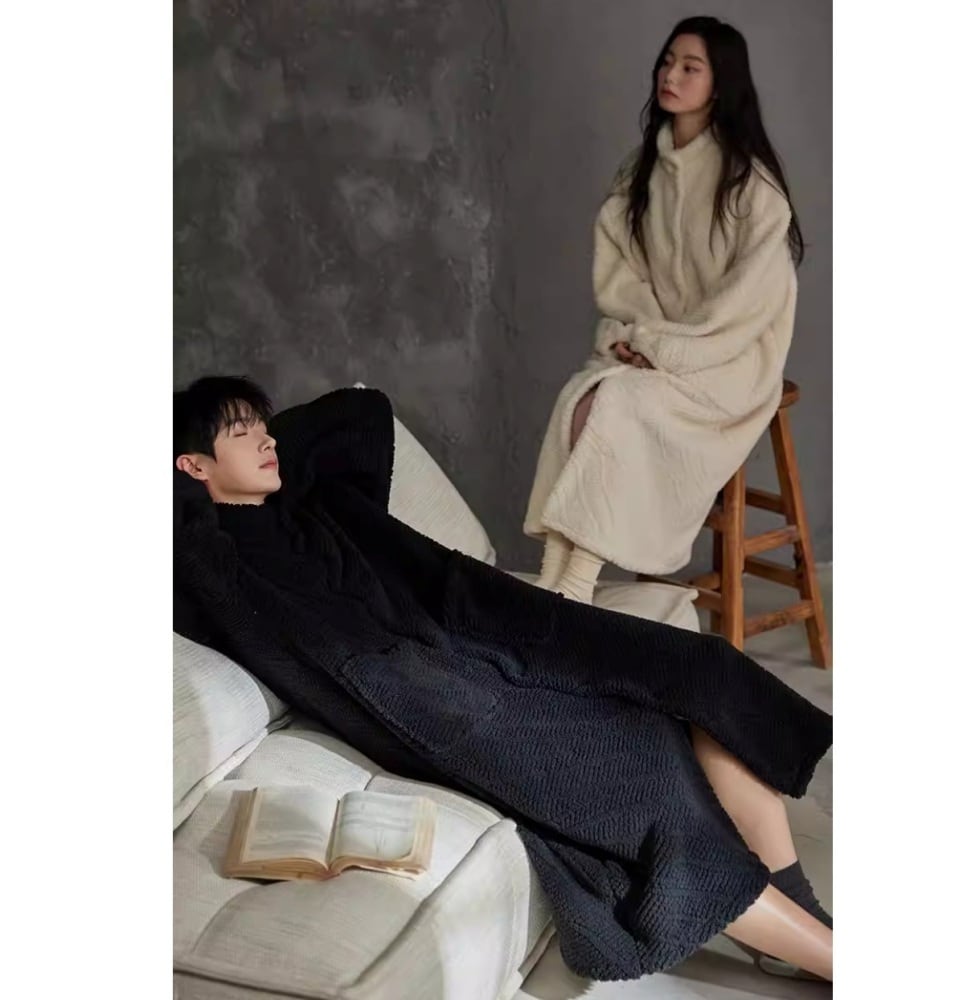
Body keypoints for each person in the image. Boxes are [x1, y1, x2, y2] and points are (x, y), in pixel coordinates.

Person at [173, 375, 833, 983]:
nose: (267, 441)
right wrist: (189, 482)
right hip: (426, 699)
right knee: (644, 780)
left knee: (703, 671)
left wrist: (251, 443)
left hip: (481, 632)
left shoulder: (315, 501)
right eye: (243, 433)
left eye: (265, 428)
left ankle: (796, 907)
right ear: (193, 466)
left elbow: (361, 410)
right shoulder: (214, 564)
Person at [524, 16, 806, 605]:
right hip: (659, 348)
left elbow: (748, 305)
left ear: (720, 85)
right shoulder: (641, 173)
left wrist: (668, 349)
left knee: (618, 403)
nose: (670, 75)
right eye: (667, 61)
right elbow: (621, 275)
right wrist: (636, 338)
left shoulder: (750, 185)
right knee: (581, 395)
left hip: (730, 359)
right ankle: (555, 570)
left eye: (690, 67)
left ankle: (577, 581)